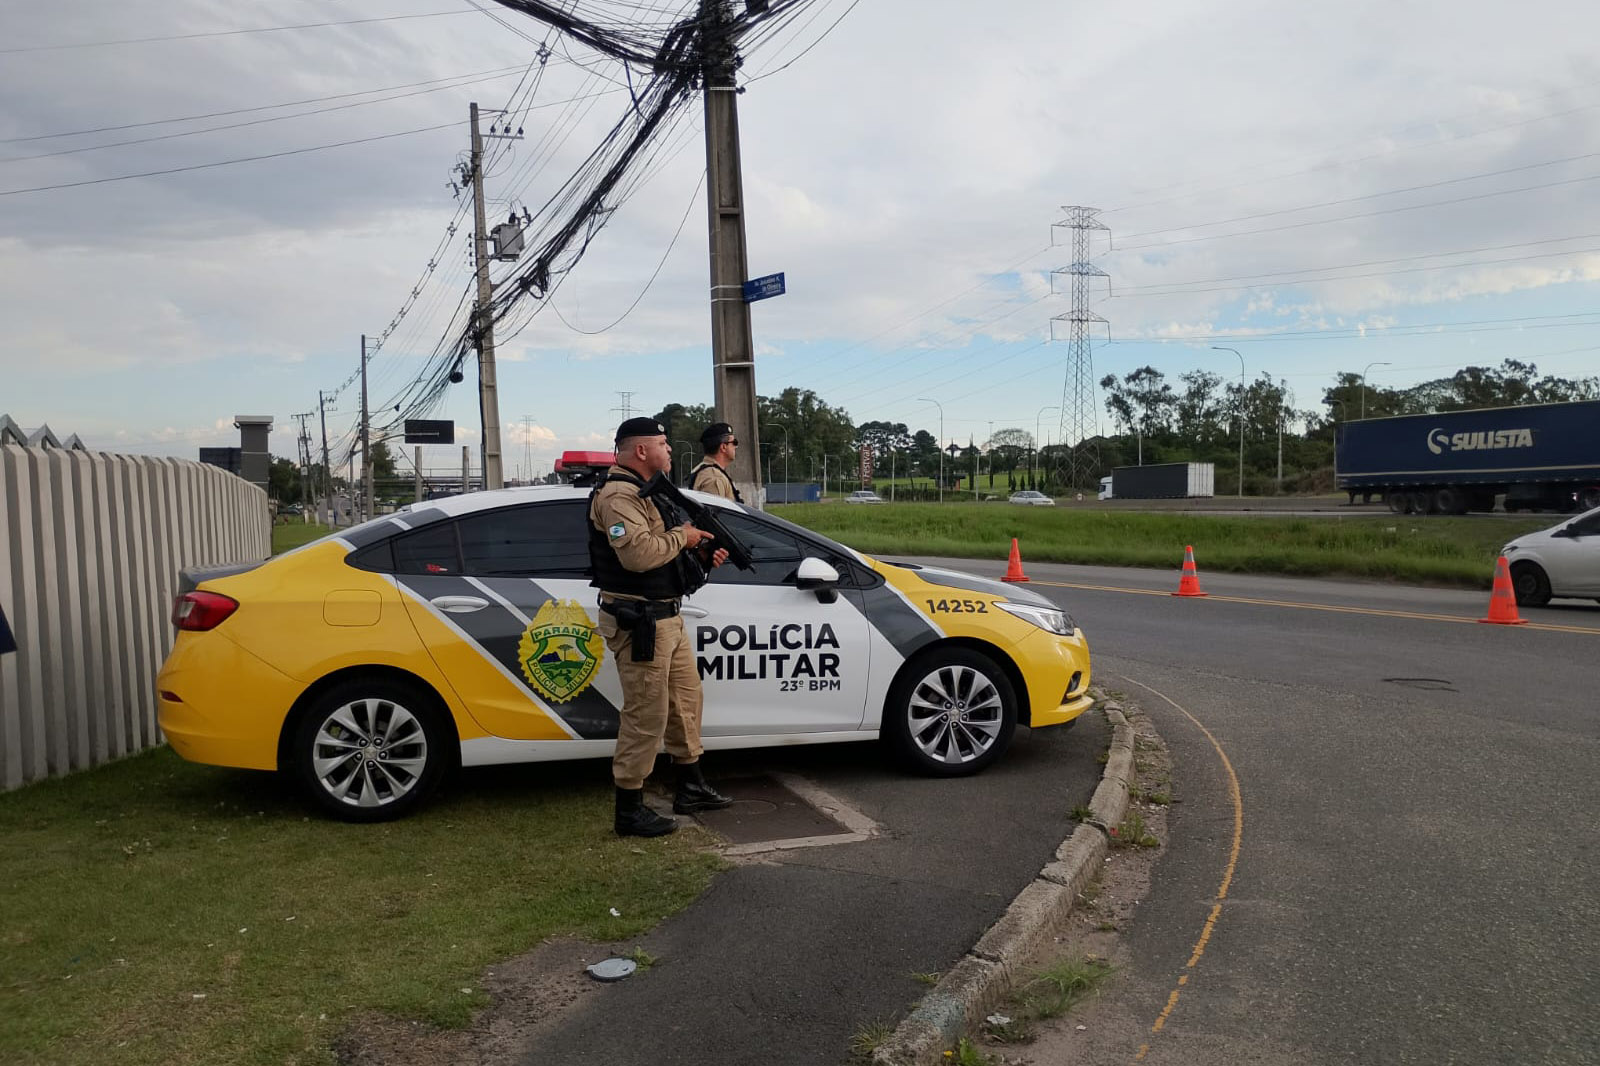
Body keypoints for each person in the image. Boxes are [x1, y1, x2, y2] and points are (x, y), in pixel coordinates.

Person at [589, 416, 733, 837]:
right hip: (639, 622)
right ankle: (629, 809)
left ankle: (690, 786)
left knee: (684, 702)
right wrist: (684, 539)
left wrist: (701, 557)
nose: (670, 450)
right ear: (640, 451)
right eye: (663, 443)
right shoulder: (617, 495)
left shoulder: (648, 492)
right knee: (645, 715)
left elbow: (664, 551)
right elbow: (636, 556)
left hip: (666, 615)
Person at [689, 421, 743, 503]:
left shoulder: (703, 470)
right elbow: (717, 514)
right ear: (723, 447)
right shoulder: (714, 478)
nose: (736, 447)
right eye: (734, 443)